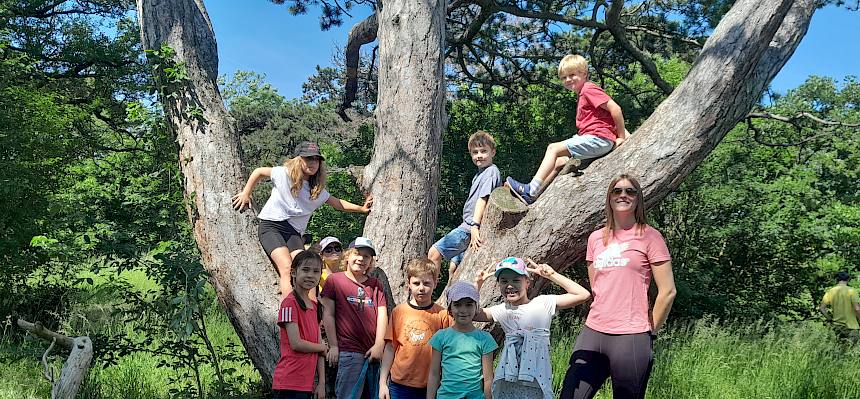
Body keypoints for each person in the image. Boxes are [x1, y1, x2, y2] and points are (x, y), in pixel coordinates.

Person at [559, 174, 676, 399]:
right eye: (617, 191)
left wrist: (650, 330)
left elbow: (668, 291)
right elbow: (597, 288)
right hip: (593, 331)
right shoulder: (595, 239)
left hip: (631, 336)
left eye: (630, 191)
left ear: (638, 199)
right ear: (609, 198)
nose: (623, 194)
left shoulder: (650, 237)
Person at [231, 141, 373, 298]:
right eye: (308, 158)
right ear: (299, 159)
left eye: (316, 159)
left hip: (293, 232)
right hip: (272, 226)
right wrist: (246, 193)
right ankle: (290, 310)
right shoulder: (284, 174)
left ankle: (311, 310)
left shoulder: (317, 190)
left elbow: (337, 203)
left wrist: (361, 209)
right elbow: (259, 172)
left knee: (307, 267)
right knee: (287, 268)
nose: (313, 163)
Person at [506, 55, 628, 204]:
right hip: (596, 138)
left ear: (584, 74)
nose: (568, 80)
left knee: (553, 148)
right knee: (558, 161)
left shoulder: (588, 89)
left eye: (572, 75)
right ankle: (536, 196)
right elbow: (607, 118)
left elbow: (615, 108)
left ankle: (531, 189)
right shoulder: (583, 93)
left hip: (598, 139)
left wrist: (621, 136)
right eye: (564, 77)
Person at [473, 257, 591, 399]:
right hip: (508, 379)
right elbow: (471, 313)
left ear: (527, 283)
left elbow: (583, 294)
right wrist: (477, 284)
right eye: (504, 281)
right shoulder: (502, 310)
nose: (509, 285)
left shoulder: (543, 303)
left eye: (516, 280)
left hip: (537, 378)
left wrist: (551, 275)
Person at [320, 237, 388, 399]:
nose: (361, 259)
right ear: (348, 256)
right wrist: (334, 346)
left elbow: (382, 313)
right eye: (357, 254)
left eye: (366, 256)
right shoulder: (335, 280)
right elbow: (328, 314)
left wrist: (379, 344)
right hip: (349, 351)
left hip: (374, 352)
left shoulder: (375, 284)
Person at [428, 130, 501, 278]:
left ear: (493, 152)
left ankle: (430, 289)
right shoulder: (480, 174)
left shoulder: (491, 172)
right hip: (467, 225)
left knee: (434, 253)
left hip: (469, 227)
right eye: (475, 152)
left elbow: (483, 199)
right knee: (453, 268)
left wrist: (475, 226)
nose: (479, 155)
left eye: (483, 151)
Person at [378, 258, 452, 399]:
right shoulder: (399, 312)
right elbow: (389, 348)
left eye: (427, 283)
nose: (421, 288)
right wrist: (382, 383)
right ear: (409, 285)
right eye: (416, 283)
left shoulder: (442, 315)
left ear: (435, 283)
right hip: (400, 384)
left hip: (431, 386)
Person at [427, 282, 497, 399]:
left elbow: (488, 378)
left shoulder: (485, 339)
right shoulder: (441, 337)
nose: (463, 310)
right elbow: (434, 374)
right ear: (450, 308)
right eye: (457, 305)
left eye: (469, 305)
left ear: (477, 308)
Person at [273, 251, 327, 399]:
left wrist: (321, 383)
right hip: (288, 382)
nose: (310, 275)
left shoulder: (316, 307)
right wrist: (323, 347)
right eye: (305, 270)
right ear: (293, 272)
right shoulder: (289, 303)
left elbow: (319, 346)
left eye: (316, 271)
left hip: (307, 384)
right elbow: (296, 343)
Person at [819, 271, 860, 340]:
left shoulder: (830, 291)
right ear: (848, 279)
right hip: (851, 326)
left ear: (837, 279)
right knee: (853, 349)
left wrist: (829, 318)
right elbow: (857, 309)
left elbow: (822, 308)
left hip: (837, 326)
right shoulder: (851, 291)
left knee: (840, 349)